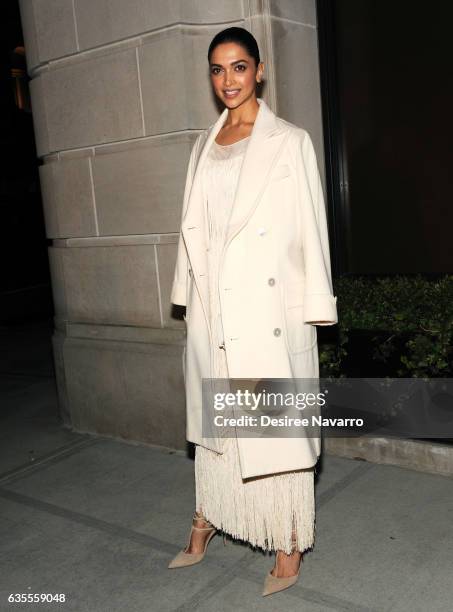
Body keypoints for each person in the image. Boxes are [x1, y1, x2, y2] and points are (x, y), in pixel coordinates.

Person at [168, 26, 338, 597]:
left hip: (266, 307)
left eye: (239, 67)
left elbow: (311, 230)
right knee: (221, 429)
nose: (228, 81)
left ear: (259, 70)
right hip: (216, 308)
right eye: (218, 70)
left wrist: (315, 307)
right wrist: (187, 297)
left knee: (273, 430)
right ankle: (212, 512)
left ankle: (287, 538)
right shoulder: (203, 143)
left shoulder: (290, 141)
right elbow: (193, 229)